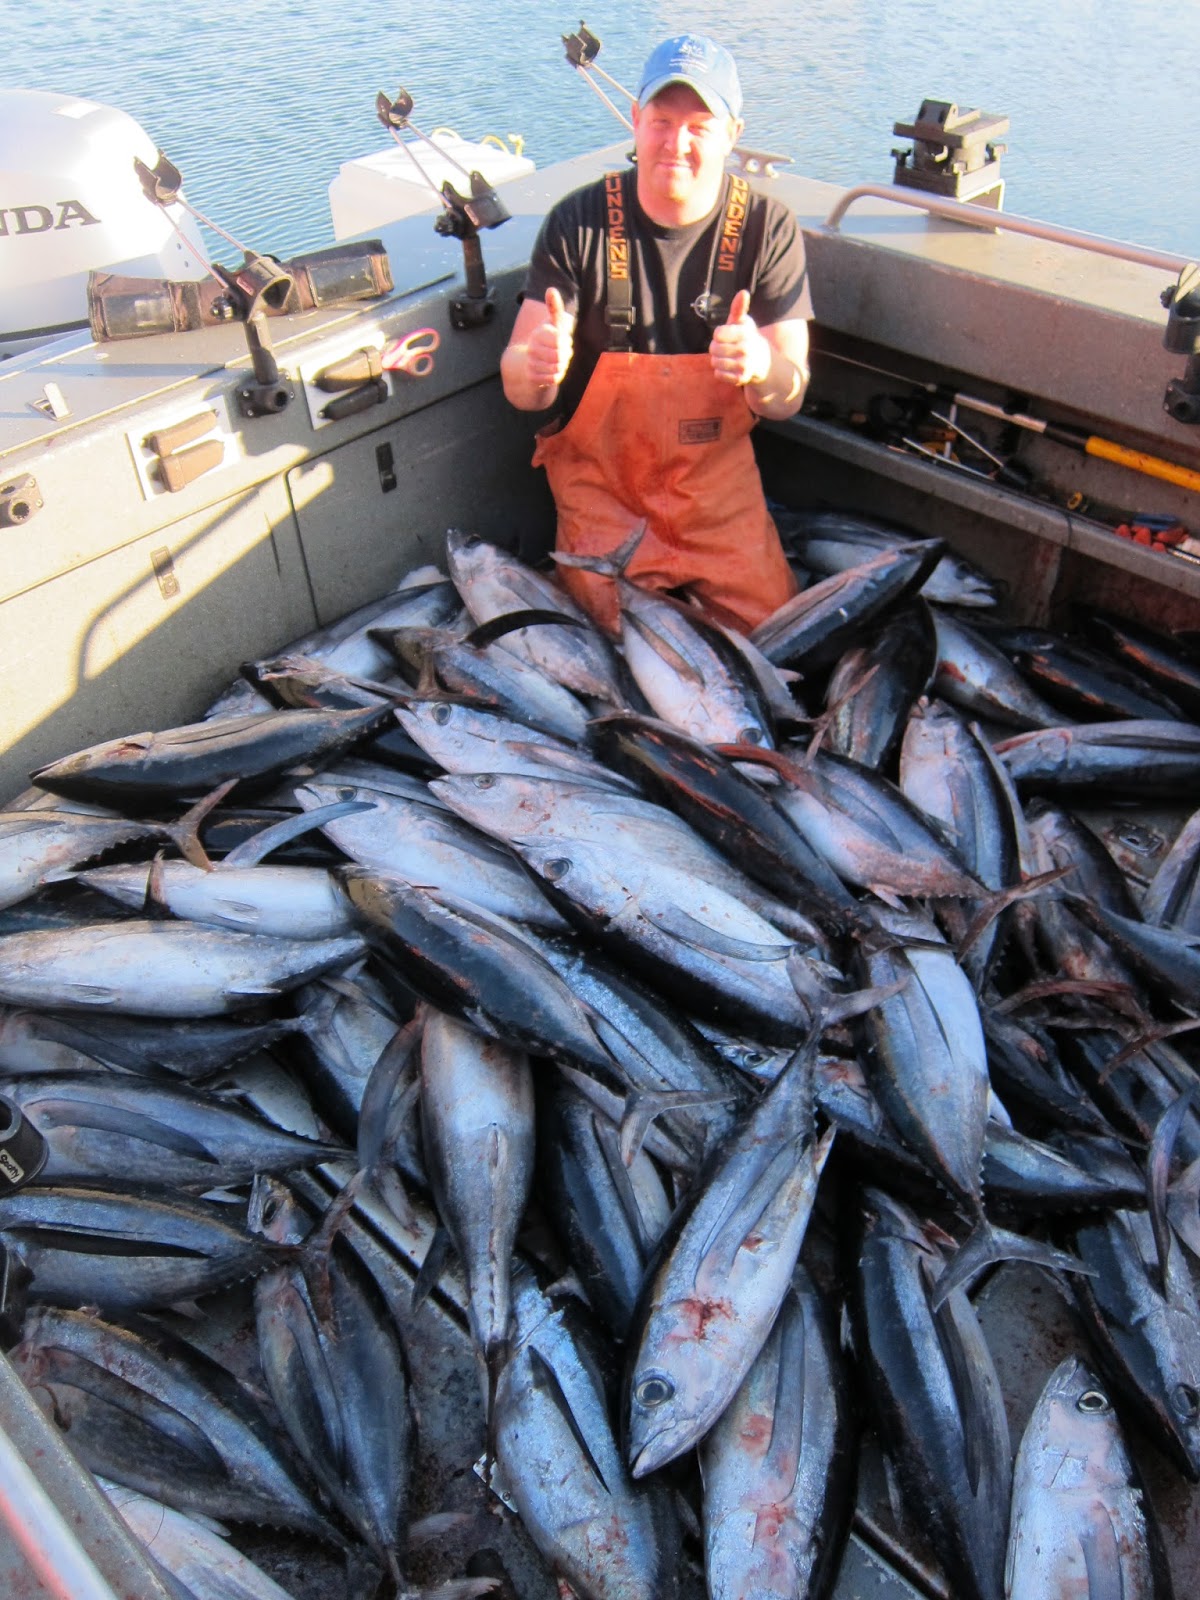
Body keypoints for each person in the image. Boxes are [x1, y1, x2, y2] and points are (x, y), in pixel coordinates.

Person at [500, 32, 812, 635]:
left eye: (699, 126)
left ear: (731, 134)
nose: (677, 143)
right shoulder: (578, 222)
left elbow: (789, 396)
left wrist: (761, 367)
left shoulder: (769, 227)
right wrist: (535, 366)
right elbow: (521, 391)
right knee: (599, 645)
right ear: (636, 120)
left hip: (719, 506)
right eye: (662, 121)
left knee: (784, 646)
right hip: (604, 503)